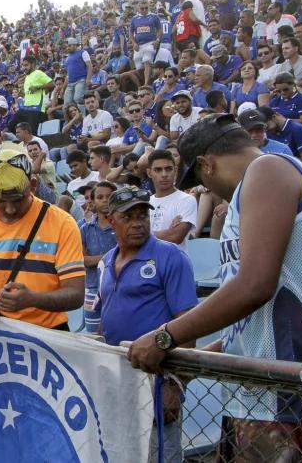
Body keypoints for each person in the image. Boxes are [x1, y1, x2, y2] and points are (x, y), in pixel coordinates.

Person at [128, 113, 302, 460]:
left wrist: (165, 336)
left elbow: (255, 286)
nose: (208, 189)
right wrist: (194, 361)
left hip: (292, 396)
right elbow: (255, 318)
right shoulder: (256, 187)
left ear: (206, 164)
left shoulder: (268, 172)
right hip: (264, 394)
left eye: (202, 181)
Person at [98, 186, 198, 463]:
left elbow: (188, 325)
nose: (138, 223)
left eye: (143, 215)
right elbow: (106, 318)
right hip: (118, 377)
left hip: (157, 377)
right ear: (110, 219)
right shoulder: (107, 261)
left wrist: (175, 386)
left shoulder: (171, 257)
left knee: (159, 453)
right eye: (128, 217)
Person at [0, 144, 85, 329]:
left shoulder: (63, 223)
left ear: (33, 185)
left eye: (18, 199)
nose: (10, 209)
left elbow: (76, 294)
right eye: (0, 201)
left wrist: (33, 300)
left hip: (50, 335)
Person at [79, 181, 117, 333]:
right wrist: (112, 255)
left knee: (117, 333)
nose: (105, 200)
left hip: (118, 287)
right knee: (94, 334)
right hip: (92, 287)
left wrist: (94, 259)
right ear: (93, 201)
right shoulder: (85, 229)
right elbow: (82, 260)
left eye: (109, 196)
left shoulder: (121, 225)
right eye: (100, 197)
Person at [147, 150, 197, 251]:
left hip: (175, 264)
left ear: (176, 170)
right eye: (158, 170)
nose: (164, 174)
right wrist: (168, 231)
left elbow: (176, 236)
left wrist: (145, 235)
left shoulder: (187, 200)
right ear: (149, 173)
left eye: (168, 169)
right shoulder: (144, 204)